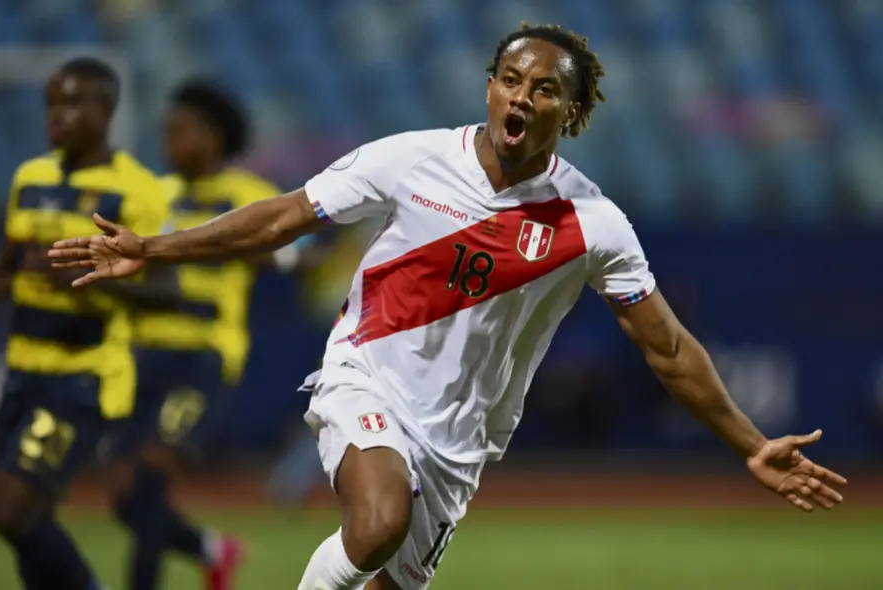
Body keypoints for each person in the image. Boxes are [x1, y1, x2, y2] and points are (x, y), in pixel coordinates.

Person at [46, 24, 848, 590]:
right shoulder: (409, 159)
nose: (521, 97)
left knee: (387, 566)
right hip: (365, 378)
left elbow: (667, 348)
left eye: (543, 89)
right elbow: (286, 215)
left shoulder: (593, 225)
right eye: (509, 79)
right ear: (489, 87)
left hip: (460, 443)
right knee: (377, 521)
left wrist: (749, 442)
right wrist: (152, 247)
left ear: (570, 115)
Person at [0, 57, 175, 590]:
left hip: (83, 378)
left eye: (73, 102)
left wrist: (91, 271)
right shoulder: (30, 177)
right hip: (22, 372)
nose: (57, 114)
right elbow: (7, 266)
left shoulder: (137, 190)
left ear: (107, 109)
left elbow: (165, 291)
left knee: (10, 511)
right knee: (27, 523)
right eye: (51, 103)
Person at [107, 77, 290, 590]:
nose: (169, 143)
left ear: (213, 138)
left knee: (149, 476)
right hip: (143, 355)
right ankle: (213, 549)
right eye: (166, 132)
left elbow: (285, 252)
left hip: (204, 355)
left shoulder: (249, 196)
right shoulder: (154, 197)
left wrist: (282, 253)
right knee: (124, 496)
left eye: (179, 132)